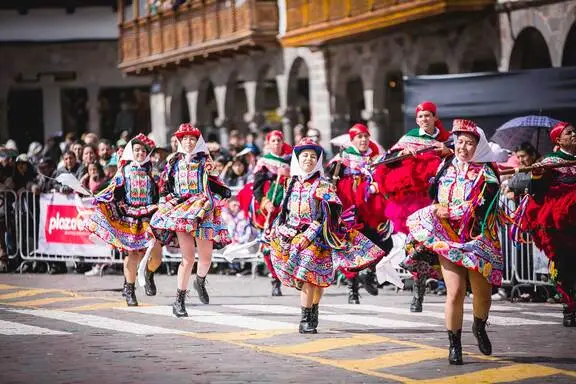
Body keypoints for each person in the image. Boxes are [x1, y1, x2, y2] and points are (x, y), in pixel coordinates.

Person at [401, 119, 504, 365]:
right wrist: (437, 207)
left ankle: (479, 326)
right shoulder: (444, 167)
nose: (463, 147)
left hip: (478, 239)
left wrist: (455, 211)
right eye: (459, 142)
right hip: (447, 236)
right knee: (455, 291)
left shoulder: (487, 173)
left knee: (482, 294)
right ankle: (454, 345)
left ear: (478, 147)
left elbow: (484, 206)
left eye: (469, 143)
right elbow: (433, 194)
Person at [269, 138, 387, 334]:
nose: (308, 159)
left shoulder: (323, 184)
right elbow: (284, 210)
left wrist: (309, 235)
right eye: (305, 155)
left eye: (313, 156)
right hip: (293, 236)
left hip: (318, 238)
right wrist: (276, 228)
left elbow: (327, 216)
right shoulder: (289, 183)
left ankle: (307, 316)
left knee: (312, 278)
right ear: (298, 159)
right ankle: (311, 312)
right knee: (310, 278)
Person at [374, 101, 452, 312]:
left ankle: (446, 290)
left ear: (435, 117)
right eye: (420, 117)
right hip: (414, 202)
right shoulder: (409, 137)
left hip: (441, 200)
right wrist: (399, 155)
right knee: (415, 244)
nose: (424, 119)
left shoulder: (448, 139)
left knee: (437, 245)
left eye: (428, 115)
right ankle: (418, 295)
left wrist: (447, 151)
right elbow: (386, 161)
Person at [150, 123, 231, 317]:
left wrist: (223, 190)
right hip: (181, 211)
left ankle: (200, 280)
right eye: (184, 138)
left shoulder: (205, 161)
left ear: (197, 141)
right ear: (179, 141)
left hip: (203, 211)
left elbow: (215, 183)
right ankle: (179, 299)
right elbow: (164, 186)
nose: (188, 142)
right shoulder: (172, 162)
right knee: (187, 258)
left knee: (206, 258)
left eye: (192, 138)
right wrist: (165, 203)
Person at [88, 134, 163, 306]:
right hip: (129, 216)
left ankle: (148, 274)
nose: (140, 153)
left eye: (143, 150)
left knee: (157, 256)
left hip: (150, 216)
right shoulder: (124, 170)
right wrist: (99, 196)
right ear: (131, 151)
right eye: (137, 150)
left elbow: (162, 190)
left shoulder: (154, 171)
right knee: (132, 254)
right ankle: (130, 289)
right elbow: (111, 188)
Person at [516, 121, 576, 326]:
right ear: (558, 139)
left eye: (574, 131)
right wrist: (538, 174)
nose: (574, 134)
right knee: (566, 265)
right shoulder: (551, 161)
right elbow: (537, 190)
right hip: (562, 224)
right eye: (569, 133)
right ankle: (570, 307)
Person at [328, 123, 390, 303]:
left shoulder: (376, 157)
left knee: (382, 241)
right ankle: (352, 289)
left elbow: (383, 177)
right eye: (359, 137)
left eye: (366, 136)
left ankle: (368, 273)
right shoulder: (343, 158)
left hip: (371, 207)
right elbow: (332, 180)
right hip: (350, 207)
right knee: (351, 246)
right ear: (352, 140)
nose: (363, 140)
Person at [250, 130, 292, 296]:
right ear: (268, 143)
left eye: (279, 140)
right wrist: (265, 202)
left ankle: (286, 275)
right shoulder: (264, 162)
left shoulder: (290, 161)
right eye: (273, 141)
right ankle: (275, 279)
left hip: (286, 206)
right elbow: (257, 188)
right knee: (268, 245)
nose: (276, 143)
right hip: (269, 206)